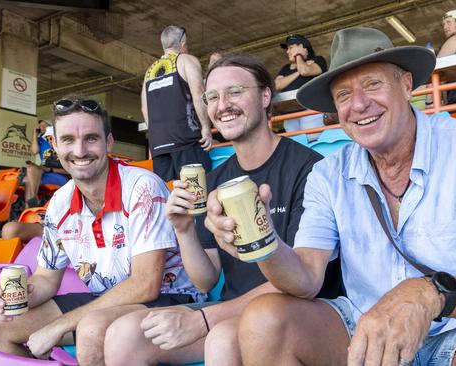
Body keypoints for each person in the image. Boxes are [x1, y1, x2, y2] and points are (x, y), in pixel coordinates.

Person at [209, 27, 456, 365]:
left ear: (406, 85)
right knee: (265, 320)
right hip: (362, 334)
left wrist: (430, 294)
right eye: (343, 95)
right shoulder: (328, 174)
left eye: (372, 84)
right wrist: (263, 242)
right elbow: (305, 278)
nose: (359, 104)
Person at [103, 54, 341, 366]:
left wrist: (203, 319)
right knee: (125, 335)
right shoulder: (215, 180)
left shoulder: (308, 169)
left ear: (265, 95)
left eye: (235, 92)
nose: (222, 104)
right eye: (212, 96)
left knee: (223, 339)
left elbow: (304, 281)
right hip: (230, 310)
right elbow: (205, 279)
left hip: (296, 313)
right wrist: (184, 229)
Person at [0, 95, 203, 366]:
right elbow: (46, 279)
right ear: (55, 146)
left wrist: (60, 325)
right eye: (69, 140)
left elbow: (146, 285)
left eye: (91, 138)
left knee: (92, 327)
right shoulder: (59, 202)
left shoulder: (142, 186)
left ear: (108, 142)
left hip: (171, 298)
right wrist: (18, 293)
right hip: (104, 300)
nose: (80, 151)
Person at [142, 25, 212, 182]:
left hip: (159, 146)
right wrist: (206, 128)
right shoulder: (187, 60)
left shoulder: (149, 71)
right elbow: (199, 94)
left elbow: (144, 108)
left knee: (168, 197)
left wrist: (158, 135)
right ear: (183, 43)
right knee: (197, 195)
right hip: (185, 140)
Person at [275, 34, 328, 139]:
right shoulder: (286, 68)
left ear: (303, 47)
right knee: (296, 143)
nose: (287, 51)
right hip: (290, 113)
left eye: (290, 47)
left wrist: (299, 56)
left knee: (313, 140)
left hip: (310, 110)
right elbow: (278, 85)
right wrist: (297, 72)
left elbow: (305, 71)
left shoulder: (318, 60)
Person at [23, 120, 70, 208]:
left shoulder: (62, 144)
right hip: (45, 172)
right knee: (30, 167)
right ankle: (33, 201)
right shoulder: (41, 140)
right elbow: (34, 151)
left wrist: (50, 169)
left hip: (60, 175)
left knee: (28, 179)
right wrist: (34, 134)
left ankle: (28, 208)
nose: (42, 127)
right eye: (40, 126)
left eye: (45, 125)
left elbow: (71, 170)